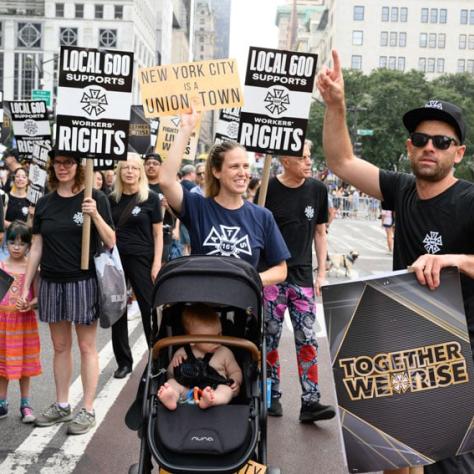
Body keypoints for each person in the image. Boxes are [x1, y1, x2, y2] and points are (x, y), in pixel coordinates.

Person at [318, 48, 474, 474]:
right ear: (409, 146)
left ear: (457, 153)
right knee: (394, 458)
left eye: (441, 142)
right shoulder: (402, 188)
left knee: (449, 464)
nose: (429, 148)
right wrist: (336, 105)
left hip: (458, 356)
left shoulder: (469, 200)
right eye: (421, 140)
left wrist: (454, 260)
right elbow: (341, 161)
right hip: (405, 347)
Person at [18, 152, 115, 435]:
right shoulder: (45, 202)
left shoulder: (96, 197)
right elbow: (37, 246)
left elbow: (110, 241)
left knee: (86, 347)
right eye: (58, 163)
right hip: (51, 281)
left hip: (83, 281)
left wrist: (94, 213)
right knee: (60, 347)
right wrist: (26, 285)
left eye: (68, 162)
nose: (62, 168)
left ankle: (87, 409)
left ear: (79, 166)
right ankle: (62, 405)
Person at [159, 109, 290, 286]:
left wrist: (251, 279)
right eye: (235, 166)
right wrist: (186, 129)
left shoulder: (262, 216)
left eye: (245, 166)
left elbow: (281, 269)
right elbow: (166, 180)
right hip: (202, 308)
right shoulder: (198, 207)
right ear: (216, 171)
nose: (243, 173)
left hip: (243, 306)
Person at [256, 140, 336, 423]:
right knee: (269, 340)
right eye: (302, 157)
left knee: (308, 340)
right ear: (284, 160)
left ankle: (311, 401)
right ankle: (269, 396)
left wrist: (322, 273)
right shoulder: (266, 189)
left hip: (302, 279)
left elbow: (320, 232)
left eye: (309, 156)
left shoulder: (317, 189)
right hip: (271, 279)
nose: (308, 162)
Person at [108, 154, 163, 378]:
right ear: (120, 172)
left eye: (134, 168)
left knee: (149, 310)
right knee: (117, 311)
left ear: (140, 172)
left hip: (143, 259)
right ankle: (123, 362)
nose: (129, 172)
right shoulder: (110, 199)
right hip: (115, 260)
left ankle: (156, 358)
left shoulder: (150, 198)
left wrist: (157, 263)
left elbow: (158, 234)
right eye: (125, 168)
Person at [158, 303, 242, 410]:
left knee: (227, 390)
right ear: (192, 340)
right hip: (188, 391)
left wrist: (235, 380)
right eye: (211, 338)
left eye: (220, 334)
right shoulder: (182, 352)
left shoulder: (224, 353)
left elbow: (235, 371)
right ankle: (172, 397)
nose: (217, 341)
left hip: (215, 390)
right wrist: (174, 366)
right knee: (172, 383)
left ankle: (212, 400)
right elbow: (170, 376)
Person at [0, 221, 41, 423]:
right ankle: (2, 402)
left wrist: (31, 304)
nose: (16, 247)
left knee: (24, 364)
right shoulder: (1, 264)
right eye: (12, 242)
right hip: (2, 323)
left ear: (29, 245)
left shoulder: (31, 267)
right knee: (2, 364)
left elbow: (39, 297)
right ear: (6, 243)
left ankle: (25, 404)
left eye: (22, 243)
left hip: (23, 323)